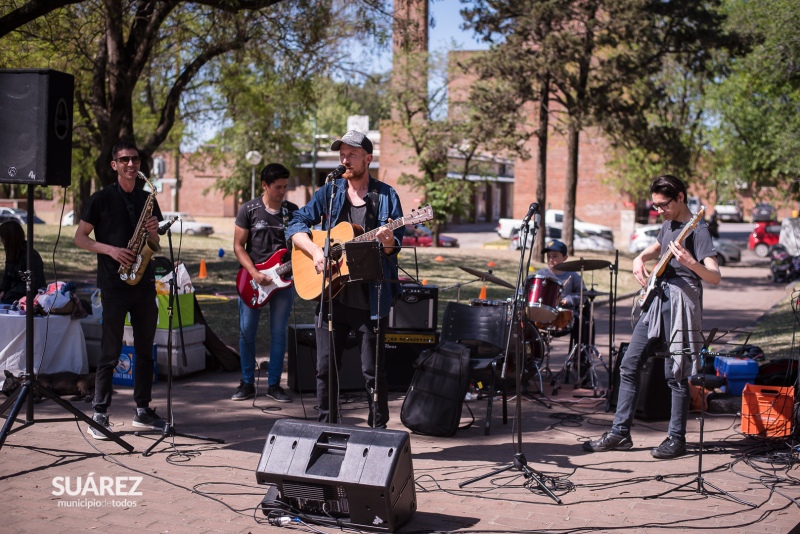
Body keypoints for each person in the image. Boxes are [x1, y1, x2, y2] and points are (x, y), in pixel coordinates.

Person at [583, 175, 720, 459]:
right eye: (655, 205)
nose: (659, 210)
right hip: (656, 301)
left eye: (663, 205)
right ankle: (620, 433)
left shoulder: (699, 230)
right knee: (629, 364)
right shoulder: (669, 223)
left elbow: (715, 276)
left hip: (680, 304)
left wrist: (691, 263)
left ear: (680, 197)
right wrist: (639, 258)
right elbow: (660, 246)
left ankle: (676, 439)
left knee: (676, 374)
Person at [287, 130, 403, 428]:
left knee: (372, 371)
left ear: (368, 158)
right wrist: (314, 250)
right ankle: (327, 426)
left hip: (370, 299)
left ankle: (378, 431)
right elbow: (296, 223)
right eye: (342, 153)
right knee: (325, 368)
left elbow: (393, 247)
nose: (345, 158)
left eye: (351, 153)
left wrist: (388, 239)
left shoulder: (386, 195)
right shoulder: (331, 191)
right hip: (331, 294)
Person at [74, 140, 165, 439]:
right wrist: (111, 251)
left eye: (135, 159)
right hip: (114, 284)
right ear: (114, 165)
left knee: (145, 351)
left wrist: (153, 232)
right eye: (124, 159)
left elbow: (156, 244)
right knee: (110, 351)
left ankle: (142, 410)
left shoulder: (148, 198)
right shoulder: (100, 199)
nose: (131, 164)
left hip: (144, 283)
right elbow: (81, 238)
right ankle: (99, 412)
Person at [231, 163, 298, 402]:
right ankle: (247, 382)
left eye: (285, 187)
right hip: (253, 281)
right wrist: (255, 273)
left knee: (278, 334)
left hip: (283, 282)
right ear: (264, 185)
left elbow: (299, 245)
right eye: (277, 187)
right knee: (247, 332)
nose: (282, 192)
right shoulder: (249, 209)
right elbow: (238, 246)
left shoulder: (292, 211)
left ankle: (274, 385)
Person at [0, 220, 45, 305]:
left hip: (28, 298)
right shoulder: (12, 253)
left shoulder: (30, 255)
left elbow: (35, 284)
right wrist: (3, 290)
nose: (1, 241)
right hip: (12, 295)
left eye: (2, 238)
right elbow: (8, 276)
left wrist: (10, 293)